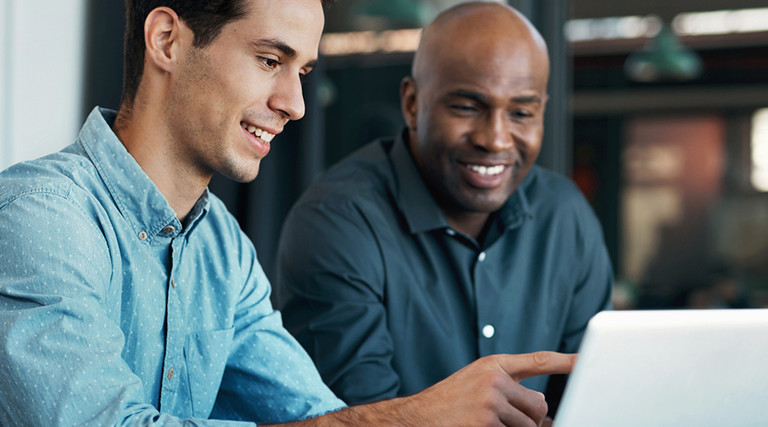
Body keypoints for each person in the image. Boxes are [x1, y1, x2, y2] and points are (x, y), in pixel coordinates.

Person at [0, 0, 576, 425]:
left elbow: (313, 415)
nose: (295, 104)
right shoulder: (41, 218)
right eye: (270, 59)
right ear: (168, 40)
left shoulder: (223, 249)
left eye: (301, 71)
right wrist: (417, 416)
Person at [275, 0, 613, 414]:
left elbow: (595, 397)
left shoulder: (564, 215)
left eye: (521, 112)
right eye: (468, 107)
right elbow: (360, 417)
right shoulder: (337, 220)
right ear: (413, 104)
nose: (496, 139)